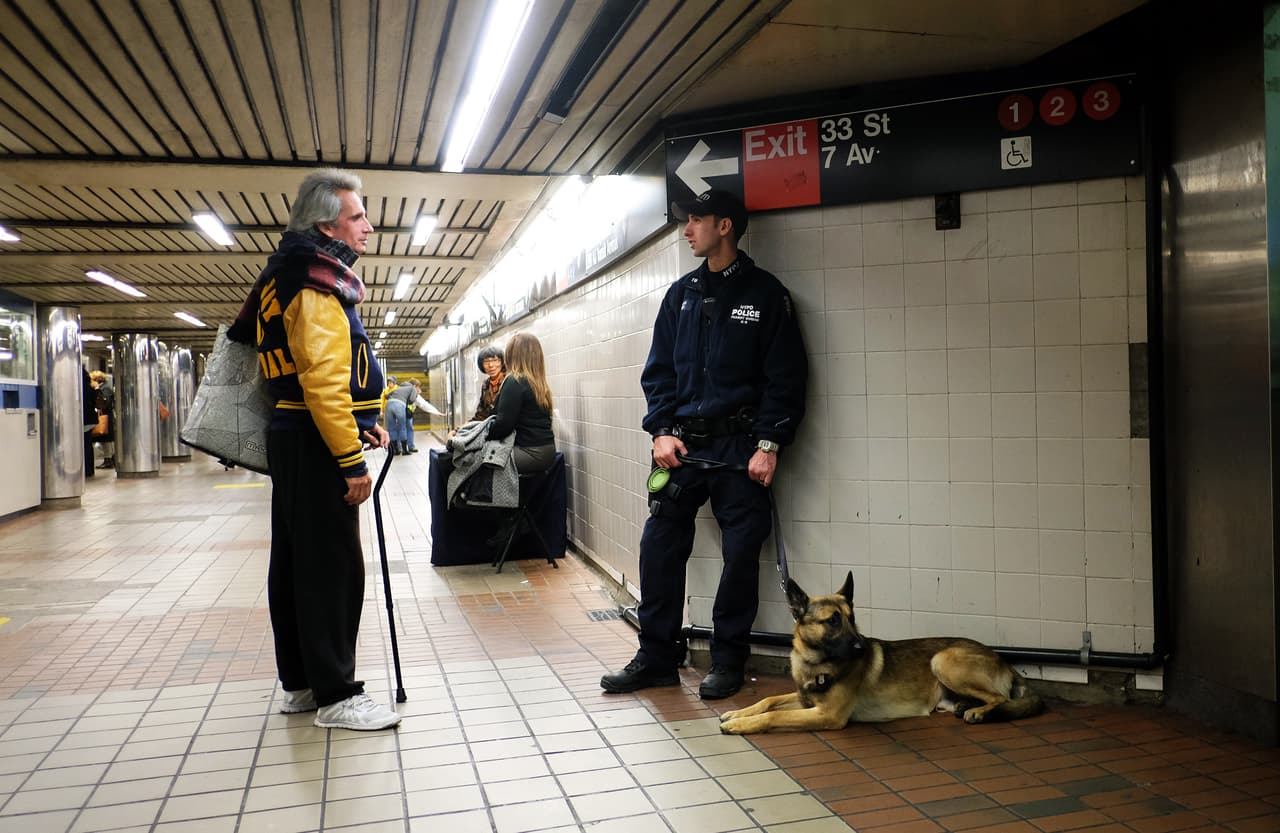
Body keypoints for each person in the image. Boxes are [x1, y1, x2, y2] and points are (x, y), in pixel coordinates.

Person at [601, 188, 808, 701]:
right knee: (659, 544)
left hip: (741, 447)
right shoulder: (681, 295)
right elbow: (660, 373)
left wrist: (770, 444)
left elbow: (787, 377)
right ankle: (657, 656)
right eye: (685, 220)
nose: (687, 228)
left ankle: (728, 658)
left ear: (726, 227)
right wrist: (661, 430)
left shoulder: (766, 294)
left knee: (741, 553)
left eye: (697, 219)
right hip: (683, 447)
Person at [234, 168, 399, 731]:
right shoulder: (316, 282)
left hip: (295, 434)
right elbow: (324, 381)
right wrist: (351, 460)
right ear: (326, 222)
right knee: (332, 567)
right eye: (358, 217)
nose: (368, 227)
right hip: (314, 436)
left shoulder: (281, 276)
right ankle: (338, 695)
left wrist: (365, 417)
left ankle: (302, 683)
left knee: (296, 562)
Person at [488, 332, 555, 473]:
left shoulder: (514, 381)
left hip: (529, 453)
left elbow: (503, 425)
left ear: (511, 355)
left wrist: (480, 436)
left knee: (477, 459)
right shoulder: (539, 383)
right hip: (547, 451)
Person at [471, 345, 506, 422]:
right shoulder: (486, 385)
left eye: (495, 360)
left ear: (502, 362)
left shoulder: (508, 381)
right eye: (486, 362)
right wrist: (458, 430)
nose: (491, 365)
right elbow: (481, 415)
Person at [384, 377, 417, 455]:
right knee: (402, 427)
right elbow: (412, 400)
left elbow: (387, 396)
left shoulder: (398, 388)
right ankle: (405, 450)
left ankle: (396, 450)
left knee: (392, 428)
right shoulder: (412, 388)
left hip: (389, 405)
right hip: (399, 405)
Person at [89, 370, 115, 469]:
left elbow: (105, 402)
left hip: (105, 417)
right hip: (105, 416)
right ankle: (108, 459)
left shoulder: (105, 389)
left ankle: (108, 459)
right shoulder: (104, 388)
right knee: (104, 439)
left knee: (106, 439)